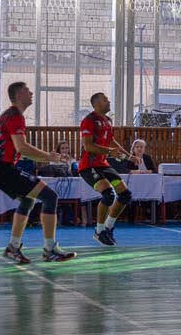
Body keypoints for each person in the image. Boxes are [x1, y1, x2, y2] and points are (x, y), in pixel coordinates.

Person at [0, 82, 76, 263]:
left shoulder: (6, 115)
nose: (31, 94)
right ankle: (49, 249)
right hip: (1, 168)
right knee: (49, 196)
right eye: (28, 91)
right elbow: (22, 147)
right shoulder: (15, 116)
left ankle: (13, 247)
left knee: (27, 200)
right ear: (19, 95)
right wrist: (49, 157)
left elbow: (14, 148)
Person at [79, 92, 140, 246]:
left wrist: (129, 156)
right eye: (105, 99)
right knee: (107, 195)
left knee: (125, 194)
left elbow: (112, 142)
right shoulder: (89, 120)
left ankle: (108, 226)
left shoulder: (107, 120)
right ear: (96, 104)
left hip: (103, 164)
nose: (108, 101)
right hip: (89, 166)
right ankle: (99, 231)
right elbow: (88, 146)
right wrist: (109, 152)